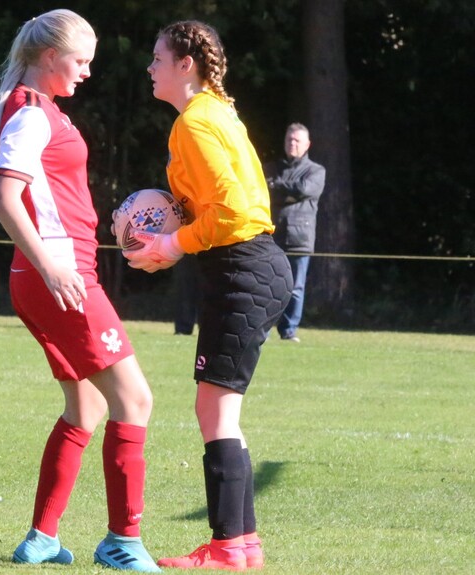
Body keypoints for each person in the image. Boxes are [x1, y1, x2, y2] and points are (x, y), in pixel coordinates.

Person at [0, 9, 160, 573]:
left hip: (51, 272)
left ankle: (41, 538)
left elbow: (50, 195)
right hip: (61, 276)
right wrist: (53, 267)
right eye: (79, 60)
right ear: (47, 56)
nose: (86, 72)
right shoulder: (33, 115)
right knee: (134, 400)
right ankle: (122, 542)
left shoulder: (38, 110)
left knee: (85, 406)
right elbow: (4, 199)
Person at [124, 20, 294, 570]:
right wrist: (168, 238)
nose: (149, 67)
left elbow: (230, 214)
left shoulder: (195, 124)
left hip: (241, 268)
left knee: (214, 410)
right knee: (222, 412)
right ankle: (242, 546)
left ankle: (225, 548)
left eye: (156, 58)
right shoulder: (215, 113)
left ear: (185, 65)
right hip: (254, 267)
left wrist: (171, 244)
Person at [264, 123, 326, 343]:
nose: (292, 143)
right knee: (268, 284)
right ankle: (264, 330)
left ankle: (289, 331)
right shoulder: (271, 168)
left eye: (297, 140)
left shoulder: (316, 171)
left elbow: (305, 190)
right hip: (272, 235)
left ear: (307, 144)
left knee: (296, 288)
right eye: (289, 139)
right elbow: (263, 190)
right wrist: (288, 191)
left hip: (300, 238)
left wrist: (278, 188)